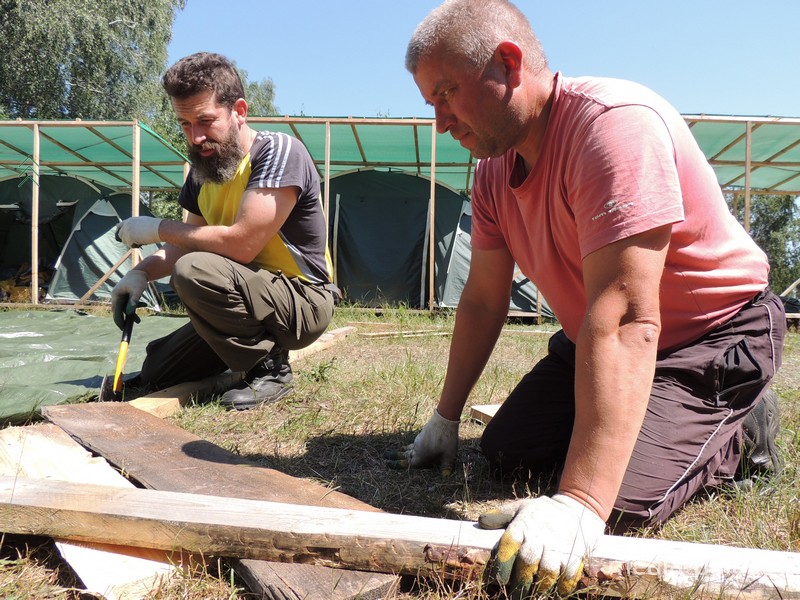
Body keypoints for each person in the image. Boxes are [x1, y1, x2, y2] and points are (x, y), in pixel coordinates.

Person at [387, 0, 786, 596]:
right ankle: (636, 413)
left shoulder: (613, 126)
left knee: (616, 504)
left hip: (712, 334)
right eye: (431, 104)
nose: (441, 122)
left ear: (508, 62)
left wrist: (579, 502)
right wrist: (446, 419)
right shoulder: (494, 170)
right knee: (506, 452)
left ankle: (741, 425)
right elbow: (481, 300)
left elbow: (627, 316)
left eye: (448, 93)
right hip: (592, 340)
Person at [111, 52, 337, 410]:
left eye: (205, 121)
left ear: (240, 111)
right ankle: (241, 360)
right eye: (185, 124)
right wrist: (140, 274)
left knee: (194, 271)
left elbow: (243, 244)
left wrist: (157, 227)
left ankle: (271, 370)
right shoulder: (203, 169)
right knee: (158, 370)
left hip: (301, 300)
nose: (196, 137)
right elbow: (186, 243)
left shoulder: (279, 152)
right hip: (244, 298)